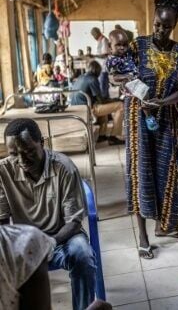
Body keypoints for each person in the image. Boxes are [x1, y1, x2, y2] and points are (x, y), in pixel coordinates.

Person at [0, 119, 97, 310]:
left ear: (42, 143)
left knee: (83, 256)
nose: (21, 161)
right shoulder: (3, 172)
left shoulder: (63, 168)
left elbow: (74, 222)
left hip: (62, 238)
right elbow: (2, 221)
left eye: (28, 152)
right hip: (25, 243)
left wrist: (49, 243)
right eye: (14, 154)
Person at [126, 0, 178, 260]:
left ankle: (165, 226)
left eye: (167, 26)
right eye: (157, 25)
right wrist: (134, 91)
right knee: (141, 172)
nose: (161, 30)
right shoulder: (136, 46)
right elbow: (122, 75)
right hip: (139, 119)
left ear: (176, 23)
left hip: (167, 120)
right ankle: (142, 236)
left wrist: (161, 102)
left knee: (169, 172)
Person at [71, 60, 125, 145]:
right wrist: (116, 100)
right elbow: (101, 101)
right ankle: (115, 136)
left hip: (76, 109)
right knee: (121, 105)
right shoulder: (92, 79)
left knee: (103, 109)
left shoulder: (81, 77)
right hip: (87, 110)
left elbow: (98, 100)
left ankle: (102, 135)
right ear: (96, 70)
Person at [91, 27, 110, 97]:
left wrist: (94, 56)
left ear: (98, 32)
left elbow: (105, 54)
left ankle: (105, 102)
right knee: (102, 86)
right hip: (99, 68)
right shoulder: (99, 41)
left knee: (103, 86)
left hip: (103, 67)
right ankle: (105, 100)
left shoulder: (104, 40)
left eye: (94, 35)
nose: (93, 37)